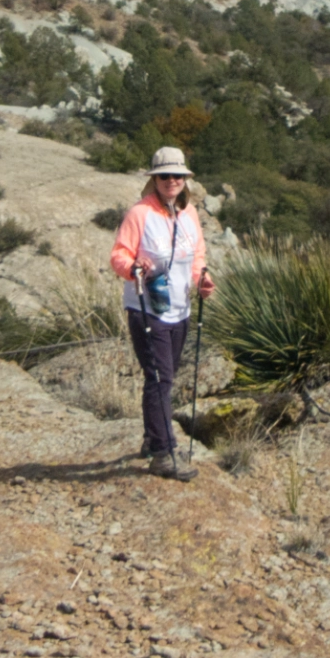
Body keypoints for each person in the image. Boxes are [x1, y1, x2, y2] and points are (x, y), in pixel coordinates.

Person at [110, 146, 215, 481]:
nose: (172, 181)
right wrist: (132, 267)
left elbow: (197, 253)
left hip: (180, 309)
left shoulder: (189, 214)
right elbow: (118, 256)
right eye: (165, 175)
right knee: (160, 379)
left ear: (185, 180)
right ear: (154, 179)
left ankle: (152, 437)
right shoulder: (139, 214)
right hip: (147, 309)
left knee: (161, 379)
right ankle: (162, 453)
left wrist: (202, 279)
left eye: (177, 176)